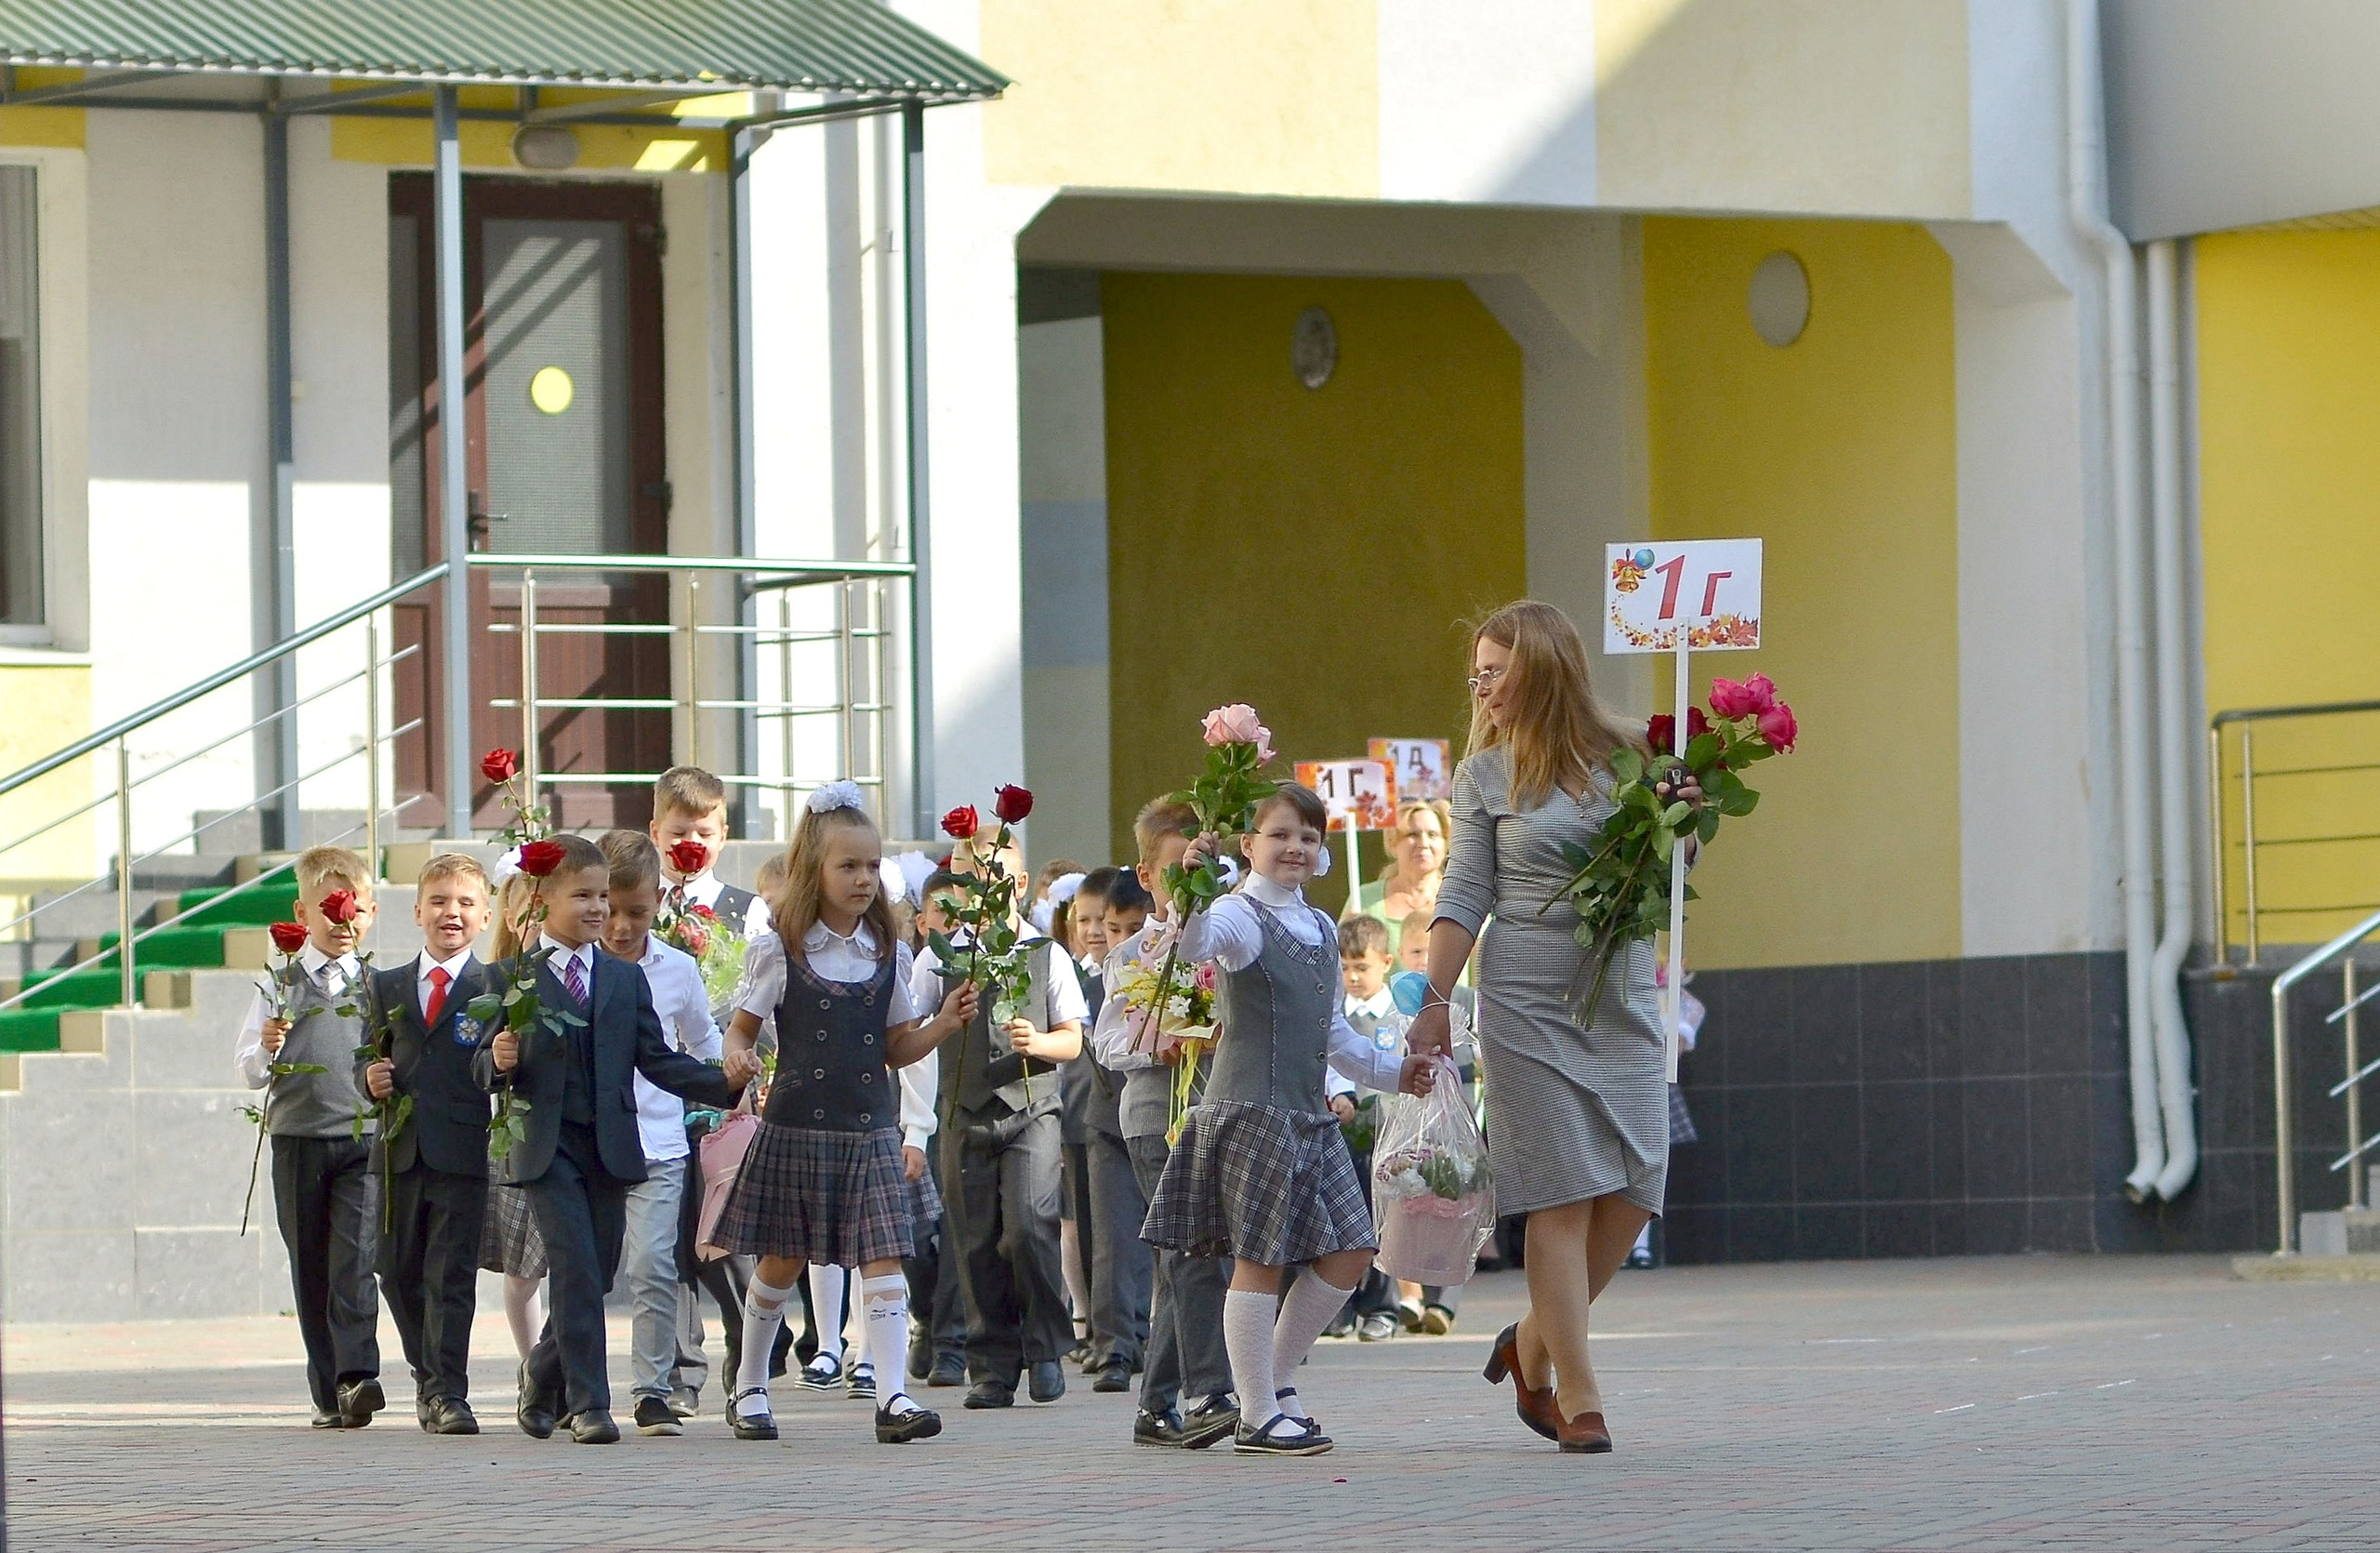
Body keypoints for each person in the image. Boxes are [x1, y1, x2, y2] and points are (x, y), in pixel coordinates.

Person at [1405, 599, 1702, 1455]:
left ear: (1544, 666)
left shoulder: (1633, 758)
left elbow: (1671, 869)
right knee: (1561, 1193)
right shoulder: (1486, 774)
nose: (1482, 688)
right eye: (1477, 674)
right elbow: (1465, 894)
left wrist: (1683, 824)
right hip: (1527, 995)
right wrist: (1434, 1004)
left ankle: (1531, 1342)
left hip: (1618, 992)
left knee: (1639, 1181)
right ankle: (1577, 1390)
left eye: (1496, 671)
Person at [1144, 785, 1434, 1456]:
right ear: (1248, 845)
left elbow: (1334, 1034)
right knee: (1261, 1260)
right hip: (1251, 1112)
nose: (1294, 847)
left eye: (1307, 836)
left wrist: (1398, 1074)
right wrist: (1189, 884)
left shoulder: (1324, 927)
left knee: (1354, 1250)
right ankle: (1255, 1415)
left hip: (1307, 1114)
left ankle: (1268, 1386)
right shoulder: (1238, 915)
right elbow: (1193, 946)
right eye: (1279, 835)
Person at [709, 784, 978, 1445]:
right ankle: (749, 1385)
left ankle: (892, 1398)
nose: (863, 879)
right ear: (814, 870)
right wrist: (739, 1060)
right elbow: (740, 1031)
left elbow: (894, 1047)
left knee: (883, 1257)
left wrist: (941, 1025)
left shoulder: (889, 952)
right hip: (797, 1127)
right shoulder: (781, 948)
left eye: (871, 866)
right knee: (780, 1260)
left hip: (868, 1128)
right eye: (848, 866)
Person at [477, 832, 755, 1445]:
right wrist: (497, 1060)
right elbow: (473, 1065)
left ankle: (541, 1377)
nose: (599, 908)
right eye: (583, 896)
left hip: (610, 1149)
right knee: (574, 1267)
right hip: (547, 1153)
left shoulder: (624, 982)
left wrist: (724, 1084)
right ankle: (590, 1404)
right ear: (541, 901)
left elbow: (660, 1062)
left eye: (603, 895)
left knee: (596, 1274)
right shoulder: (512, 979)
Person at [1091, 802, 1238, 1450]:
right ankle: (1210, 1388)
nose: (1188, 882)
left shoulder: (1222, 941)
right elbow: (1109, 1045)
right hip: (1155, 1116)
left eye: (1200, 868)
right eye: (1176, 870)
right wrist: (1159, 1042)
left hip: (1212, 1109)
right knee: (1191, 1251)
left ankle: (1155, 1405)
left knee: (1195, 1256)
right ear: (1147, 876)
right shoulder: (1131, 954)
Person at [234, 845, 385, 1429]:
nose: (342, 922)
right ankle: (328, 1389)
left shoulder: (378, 986)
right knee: (312, 1263)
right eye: (328, 909)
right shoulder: (279, 986)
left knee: (355, 1257)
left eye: (353, 910)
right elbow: (247, 1068)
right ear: (302, 913)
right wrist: (268, 1048)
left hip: (363, 1139)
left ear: (370, 912)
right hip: (298, 1141)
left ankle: (358, 1377)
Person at [938, 828, 1089, 1410]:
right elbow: (911, 1030)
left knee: (1029, 1226)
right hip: (964, 1112)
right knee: (974, 1239)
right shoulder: (940, 955)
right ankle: (990, 1364)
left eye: (997, 880)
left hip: (1032, 1108)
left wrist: (1038, 1041)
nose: (985, 892)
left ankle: (1045, 1348)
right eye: (972, 882)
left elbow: (1074, 1041)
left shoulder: (1045, 953)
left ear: (1020, 885)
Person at [360, 853, 496, 1434]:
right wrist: (369, 1079)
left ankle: (449, 1392)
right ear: (417, 911)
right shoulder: (385, 984)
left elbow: (500, 1061)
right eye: (440, 901)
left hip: (462, 1151)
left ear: (485, 916)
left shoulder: (495, 986)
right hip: (398, 1152)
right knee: (396, 1269)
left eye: (466, 903)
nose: (452, 913)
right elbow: (366, 1056)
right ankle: (425, 1372)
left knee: (451, 1274)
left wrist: (501, 1065)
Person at [596, 830, 723, 1438]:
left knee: (651, 1264)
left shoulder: (677, 969)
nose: (620, 926)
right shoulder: (574, 966)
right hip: (586, 1144)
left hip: (659, 1144)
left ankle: (651, 1389)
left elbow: (703, 1039)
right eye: (610, 911)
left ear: (659, 902)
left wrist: (729, 1083)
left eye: (637, 913)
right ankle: (559, 1377)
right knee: (584, 1271)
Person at [1071, 867, 1150, 1391]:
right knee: (1113, 1237)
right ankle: (1115, 1345)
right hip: (1106, 1117)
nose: (1114, 939)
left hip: (1169, 1113)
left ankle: (1166, 1338)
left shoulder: (1181, 962)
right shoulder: (1089, 977)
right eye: (1106, 926)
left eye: (1127, 927)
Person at [904, 871, 975, 1388]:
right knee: (911, 1233)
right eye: (940, 912)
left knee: (954, 1228)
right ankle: (926, 1315)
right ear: (922, 920)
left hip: (959, 1106)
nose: (951, 923)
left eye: (961, 911)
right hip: (910, 1110)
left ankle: (950, 1342)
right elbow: (908, 1041)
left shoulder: (976, 961)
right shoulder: (923, 965)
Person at [477, 870, 549, 1362]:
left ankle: (559, 1365)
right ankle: (532, 1365)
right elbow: (478, 1061)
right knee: (523, 1267)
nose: (540, 926)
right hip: (518, 1136)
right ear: (510, 919)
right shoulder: (501, 980)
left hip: (571, 1135)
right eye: (530, 916)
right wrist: (499, 1058)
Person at [1395, 908, 1477, 1334]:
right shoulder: (1398, 1003)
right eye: (1415, 953)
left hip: (1455, 1118)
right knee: (1405, 1199)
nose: (1425, 965)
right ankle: (1408, 1293)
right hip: (1411, 1121)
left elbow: (1479, 1059)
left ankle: (1446, 1300)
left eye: (1433, 955)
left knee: (1458, 1200)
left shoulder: (1465, 1001)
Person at [1323, 914, 1405, 1344]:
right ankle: (1338, 1307)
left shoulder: (1398, 1014)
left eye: (1361, 967)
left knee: (1383, 1221)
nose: (1352, 977)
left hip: (1388, 1136)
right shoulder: (1332, 1011)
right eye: (1345, 967)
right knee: (1341, 1222)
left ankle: (1381, 1307)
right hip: (1340, 1133)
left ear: (1385, 962)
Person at [650, 765, 769, 939]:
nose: (692, 843)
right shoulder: (633, 906)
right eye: (678, 833)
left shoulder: (751, 910)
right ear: (655, 834)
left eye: (705, 834)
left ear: (722, 837)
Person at [1346, 798, 1453, 959]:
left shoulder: (1463, 898)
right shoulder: (1365, 900)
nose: (1423, 843)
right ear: (1393, 843)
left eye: (1433, 834)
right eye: (1413, 834)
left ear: (1446, 844)